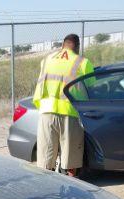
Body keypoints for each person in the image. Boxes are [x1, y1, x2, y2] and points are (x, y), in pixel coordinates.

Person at [33, 34, 94, 176]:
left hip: (46, 111)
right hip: (70, 112)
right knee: (70, 160)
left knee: (45, 159)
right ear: (77, 47)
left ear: (62, 45)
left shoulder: (46, 60)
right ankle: (71, 187)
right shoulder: (82, 62)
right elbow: (92, 88)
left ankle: (47, 187)